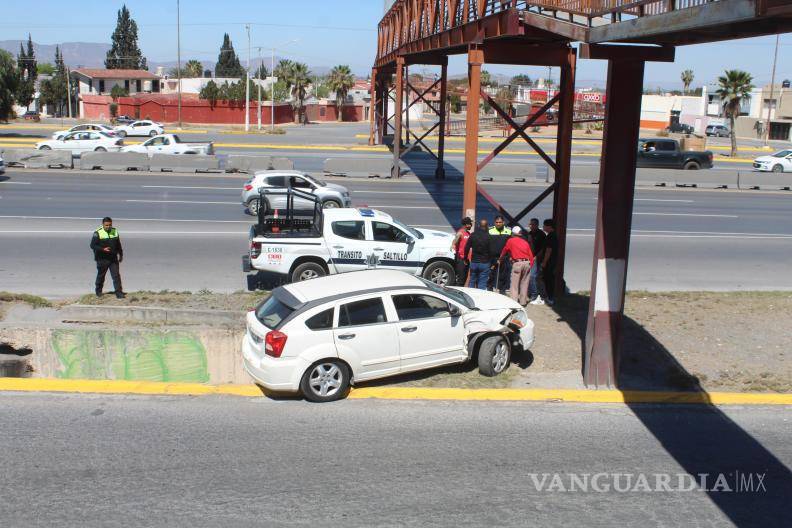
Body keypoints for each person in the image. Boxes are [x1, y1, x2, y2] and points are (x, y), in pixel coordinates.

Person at [498, 226, 534, 306]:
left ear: (513, 233)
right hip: (527, 263)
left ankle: (514, 302)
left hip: (517, 263)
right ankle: (523, 302)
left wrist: (500, 259)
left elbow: (505, 250)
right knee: (524, 283)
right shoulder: (525, 242)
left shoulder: (510, 240)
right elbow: (531, 255)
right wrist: (530, 265)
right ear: (520, 233)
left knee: (514, 284)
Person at [90, 217, 125, 298]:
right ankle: (98, 291)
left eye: (110, 225)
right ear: (103, 224)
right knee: (101, 276)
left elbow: (118, 244)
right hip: (102, 259)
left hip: (113, 258)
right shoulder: (97, 233)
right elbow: (92, 245)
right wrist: (103, 249)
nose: (108, 227)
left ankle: (119, 292)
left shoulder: (114, 231)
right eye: (106, 225)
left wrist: (121, 254)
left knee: (116, 276)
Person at [462, 219, 493, 290]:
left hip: (474, 262)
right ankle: (479, 298)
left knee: (472, 280)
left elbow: (466, 247)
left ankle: (470, 297)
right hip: (485, 263)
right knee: (482, 283)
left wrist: (465, 258)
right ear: (487, 226)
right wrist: (491, 262)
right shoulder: (489, 236)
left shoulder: (473, 235)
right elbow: (491, 251)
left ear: (479, 225)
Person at [487, 216, 512, 294]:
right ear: (494, 223)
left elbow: (511, 244)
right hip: (492, 257)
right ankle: (490, 289)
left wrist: (510, 256)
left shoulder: (508, 231)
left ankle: (502, 290)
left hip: (504, 257)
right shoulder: (490, 231)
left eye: (500, 222)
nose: (498, 224)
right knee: (491, 274)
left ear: (503, 223)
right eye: (497, 222)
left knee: (503, 274)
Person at [527, 218, 547, 304]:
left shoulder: (541, 234)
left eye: (532, 224)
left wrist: (536, 257)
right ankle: (537, 293)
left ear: (537, 225)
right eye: (530, 224)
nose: (530, 226)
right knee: (533, 276)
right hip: (530, 257)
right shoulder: (530, 234)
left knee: (533, 276)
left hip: (537, 258)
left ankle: (535, 294)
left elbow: (544, 248)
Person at [540, 218, 558, 306]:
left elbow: (548, 250)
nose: (543, 227)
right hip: (551, 262)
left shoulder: (551, 236)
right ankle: (549, 296)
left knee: (548, 280)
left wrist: (544, 262)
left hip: (549, 263)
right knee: (548, 279)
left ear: (549, 226)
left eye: (544, 225)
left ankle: (550, 298)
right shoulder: (552, 235)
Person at [451, 217, 473, 286]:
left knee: (464, 278)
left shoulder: (468, 233)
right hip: (461, 259)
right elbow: (454, 243)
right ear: (466, 224)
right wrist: (455, 250)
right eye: (470, 224)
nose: (471, 225)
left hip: (466, 259)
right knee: (461, 279)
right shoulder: (460, 233)